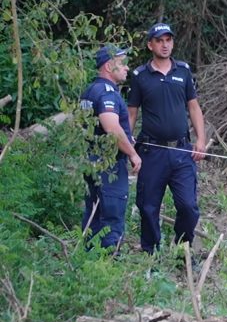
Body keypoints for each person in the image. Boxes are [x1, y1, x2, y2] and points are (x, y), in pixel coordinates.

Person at [128, 22, 206, 254]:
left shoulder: (182, 71)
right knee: (148, 206)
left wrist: (200, 140)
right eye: (159, 41)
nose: (165, 45)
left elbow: (193, 108)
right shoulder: (140, 76)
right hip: (152, 152)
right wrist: (128, 145)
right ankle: (151, 252)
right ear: (150, 45)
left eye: (168, 40)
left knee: (188, 206)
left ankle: (182, 248)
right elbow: (132, 113)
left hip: (181, 151)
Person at [80, 45, 142, 252]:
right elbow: (111, 128)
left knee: (94, 213)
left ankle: (90, 259)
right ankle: (108, 261)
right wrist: (132, 153)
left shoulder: (90, 90)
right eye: (122, 63)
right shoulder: (106, 93)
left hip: (91, 162)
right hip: (108, 166)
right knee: (111, 214)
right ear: (108, 66)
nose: (127, 68)